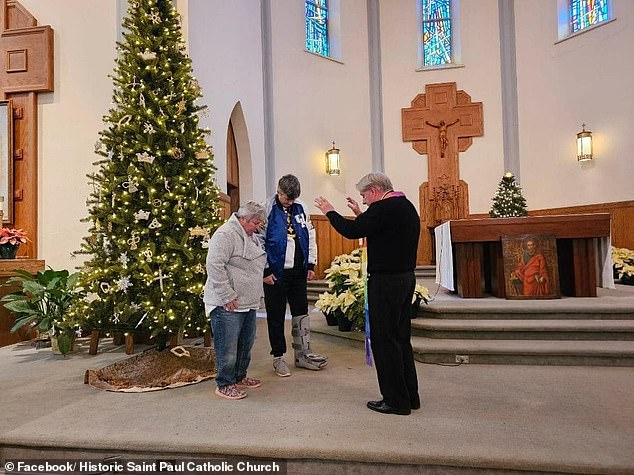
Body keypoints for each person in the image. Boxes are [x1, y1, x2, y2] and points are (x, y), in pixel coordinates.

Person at [314, 172, 420, 416]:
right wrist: (362, 216)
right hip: (405, 280)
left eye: (364, 196)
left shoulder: (383, 208)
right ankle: (410, 396)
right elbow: (382, 232)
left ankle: (395, 401)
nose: (363, 201)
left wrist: (330, 211)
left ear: (374, 190)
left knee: (384, 341)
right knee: (401, 339)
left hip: (386, 283)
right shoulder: (404, 206)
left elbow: (352, 231)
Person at [263, 174, 327, 377]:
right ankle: (278, 357)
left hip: (298, 271)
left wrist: (310, 263)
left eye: (293, 199)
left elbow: (310, 235)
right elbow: (259, 241)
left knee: (301, 311)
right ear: (278, 192)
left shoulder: (302, 207)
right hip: (275, 272)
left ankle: (303, 353)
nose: (290, 202)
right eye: (286, 198)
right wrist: (265, 270)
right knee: (276, 315)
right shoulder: (267, 209)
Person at [203, 201, 267, 400]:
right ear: (242, 219)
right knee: (228, 347)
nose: (258, 227)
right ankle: (224, 383)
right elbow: (214, 264)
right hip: (227, 303)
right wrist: (226, 294)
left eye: (260, 223)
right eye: (255, 223)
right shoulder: (225, 234)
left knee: (245, 344)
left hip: (247, 301)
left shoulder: (250, 235)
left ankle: (239, 376)